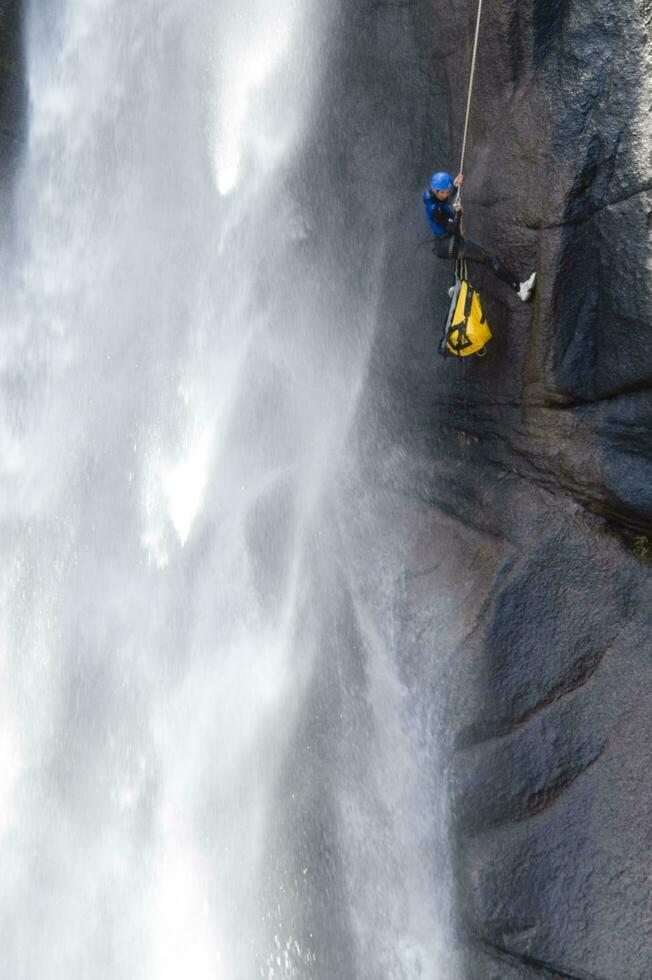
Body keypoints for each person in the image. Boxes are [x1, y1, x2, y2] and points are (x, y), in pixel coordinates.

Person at [423, 171, 536, 302]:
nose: (447, 194)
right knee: (489, 258)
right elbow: (453, 227)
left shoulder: (432, 196)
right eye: (444, 192)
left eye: (447, 191)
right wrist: (458, 213)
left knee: (467, 257)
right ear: (436, 191)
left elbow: (444, 202)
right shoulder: (434, 210)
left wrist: (454, 186)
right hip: (448, 245)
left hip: (444, 242)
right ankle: (520, 290)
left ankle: (458, 287)